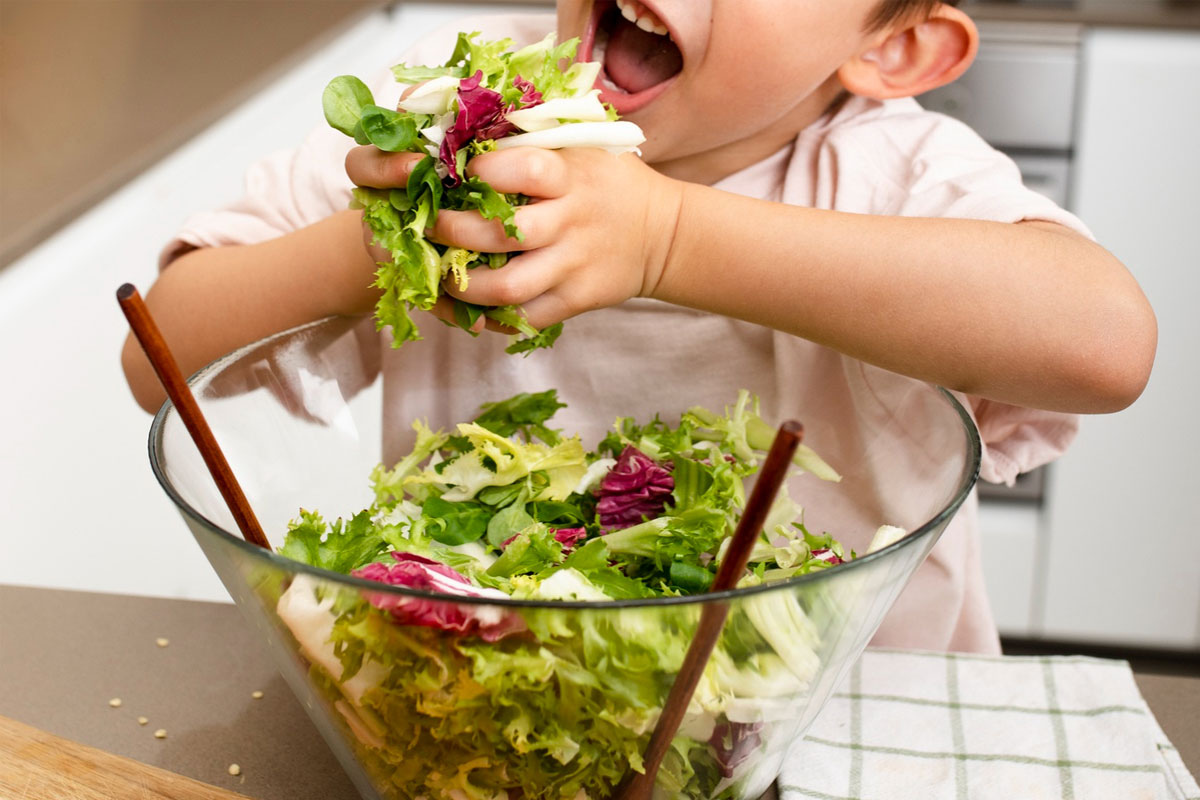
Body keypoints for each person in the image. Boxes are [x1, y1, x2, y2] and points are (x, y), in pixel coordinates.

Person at [121, 0, 1157, 654]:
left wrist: (670, 237)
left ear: (893, 46)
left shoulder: (890, 173)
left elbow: (1106, 343)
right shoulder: (447, 107)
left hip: (843, 723)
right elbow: (157, 355)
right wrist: (376, 244)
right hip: (491, 693)